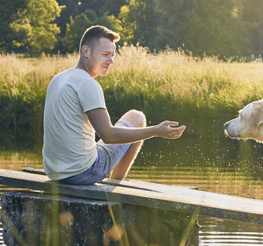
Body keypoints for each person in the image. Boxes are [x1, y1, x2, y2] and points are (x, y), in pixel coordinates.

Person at [42, 25, 185, 184]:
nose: (110, 61)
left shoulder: (58, 79)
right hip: (83, 173)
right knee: (137, 117)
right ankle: (114, 186)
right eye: (105, 54)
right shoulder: (88, 84)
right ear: (86, 51)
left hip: (54, 172)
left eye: (112, 55)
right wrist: (155, 131)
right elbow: (108, 135)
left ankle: (111, 184)